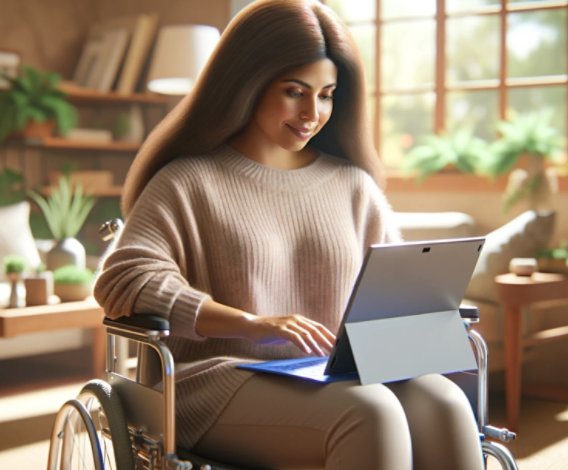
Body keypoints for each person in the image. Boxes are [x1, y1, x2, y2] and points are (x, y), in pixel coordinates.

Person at [94, 1, 484, 468]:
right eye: (295, 91)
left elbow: (391, 295)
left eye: (326, 94)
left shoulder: (354, 186)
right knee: (370, 414)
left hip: (331, 374)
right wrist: (252, 324)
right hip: (217, 376)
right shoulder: (187, 180)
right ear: (247, 83)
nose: (312, 112)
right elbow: (125, 278)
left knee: (445, 402)